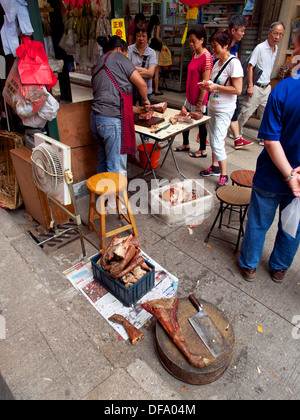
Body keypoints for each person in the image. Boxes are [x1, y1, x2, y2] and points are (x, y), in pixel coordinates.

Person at [235, 63, 300, 284]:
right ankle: (279, 268)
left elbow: (271, 141)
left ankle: (249, 265)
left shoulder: (284, 88)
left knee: (258, 223)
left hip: (272, 176)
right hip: (298, 182)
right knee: (292, 226)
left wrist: (289, 176)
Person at [90, 36, 150, 177]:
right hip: (111, 121)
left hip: (96, 118)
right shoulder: (118, 57)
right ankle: (116, 200)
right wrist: (146, 100)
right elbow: (141, 84)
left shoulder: (99, 62)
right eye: (126, 54)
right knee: (116, 168)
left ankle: (104, 197)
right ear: (119, 50)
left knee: (104, 161)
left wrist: (136, 110)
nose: (126, 58)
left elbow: (109, 96)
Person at [198, 28, 243, 190]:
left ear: (225, 45)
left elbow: (238, 90)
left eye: (215, 45)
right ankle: (214, 166)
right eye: (212, 46)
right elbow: (215, 84)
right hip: (213, 107)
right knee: (213, 138)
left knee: (217, 141)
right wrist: (207, 85)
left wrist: (215, 86)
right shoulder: (217, 63)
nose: (213, 49)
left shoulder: (234, 64)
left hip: (225, 109)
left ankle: (224, 176)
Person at [238, 22, 285, 146]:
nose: (277, 37)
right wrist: (250, 86)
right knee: (246, 111)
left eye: (280, 34)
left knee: (266, 113)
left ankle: (264, 137)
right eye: (275, 33)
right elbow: (250, 67)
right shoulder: (261, 47)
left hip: (267, 87)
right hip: (256, 86)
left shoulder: (276, 49)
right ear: (269, 33)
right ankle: (237, 131)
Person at [173, 24, 213, 158]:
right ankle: (186, 144)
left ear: (202, 40)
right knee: (185, 119)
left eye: (193, 41)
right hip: (190, 96)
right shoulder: (194, 54)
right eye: (189, 41)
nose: (191, 44)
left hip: (199, 99)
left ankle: (202, 149)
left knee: (201, 124)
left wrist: (200, 101)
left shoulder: (207, 57)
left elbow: (205, 82)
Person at [228, 15, 253, 150]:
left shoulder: (235, 47)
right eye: (241, 30)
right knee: (215, 114)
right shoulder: (224, 47)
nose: (243, 34)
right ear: (233, 31)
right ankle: (202, 135)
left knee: (233, 111)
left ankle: (238, 139)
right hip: (224, 88)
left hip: (233, 87)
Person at [128, 23, 157, 105]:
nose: (141, 39)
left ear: (147, 37)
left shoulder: (152, 53)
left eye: (144, 36)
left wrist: (133, 71)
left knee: (145, 116)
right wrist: (145, 71)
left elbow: (151, 73)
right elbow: (126, 70)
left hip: (146, 91)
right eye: (138, 36)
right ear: (135, 37)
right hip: (131, 91)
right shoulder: (129, 50)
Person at [147, 14, 163, 96]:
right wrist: (163, 43)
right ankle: (156, 89)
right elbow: (157, 37)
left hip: (150, 48)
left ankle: (151, 88)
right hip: (156, 49)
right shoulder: (157, 27)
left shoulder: (149, 27)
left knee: (150, 70)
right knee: (156, 71)